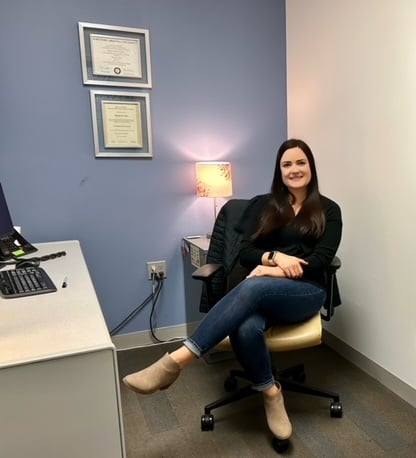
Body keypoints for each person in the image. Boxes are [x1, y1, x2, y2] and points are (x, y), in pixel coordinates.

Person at [122, 138, 342, 442]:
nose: (294, 169)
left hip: (305, 291)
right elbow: (246, 253)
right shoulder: (264, 206)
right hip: (264, 291)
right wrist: (274, 257)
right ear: (279, 171)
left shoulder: (329, 210)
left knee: (255, 285)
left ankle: (175, 362)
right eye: (287, 164)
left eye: (300, 162)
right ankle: (271, 393)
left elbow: (320, 262)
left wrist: (272, 271)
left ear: (311, 166)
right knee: (245, 325)